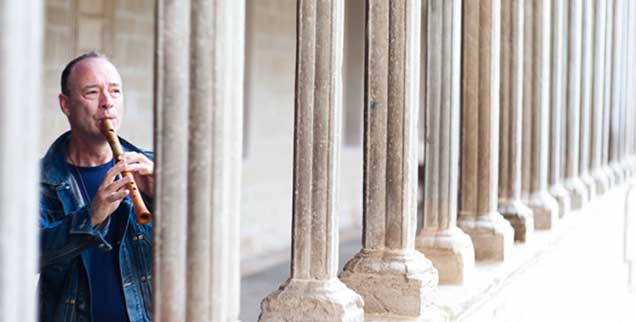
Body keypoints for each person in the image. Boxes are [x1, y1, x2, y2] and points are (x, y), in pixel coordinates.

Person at [39, 51, 154, 322]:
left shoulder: (153, 168)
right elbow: (24, 256)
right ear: (65, 105)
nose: (107, 103)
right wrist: (91, 217)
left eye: (115, 91)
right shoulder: (38, 180)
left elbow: (200, 247)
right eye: (92, 92)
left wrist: (168, 198)